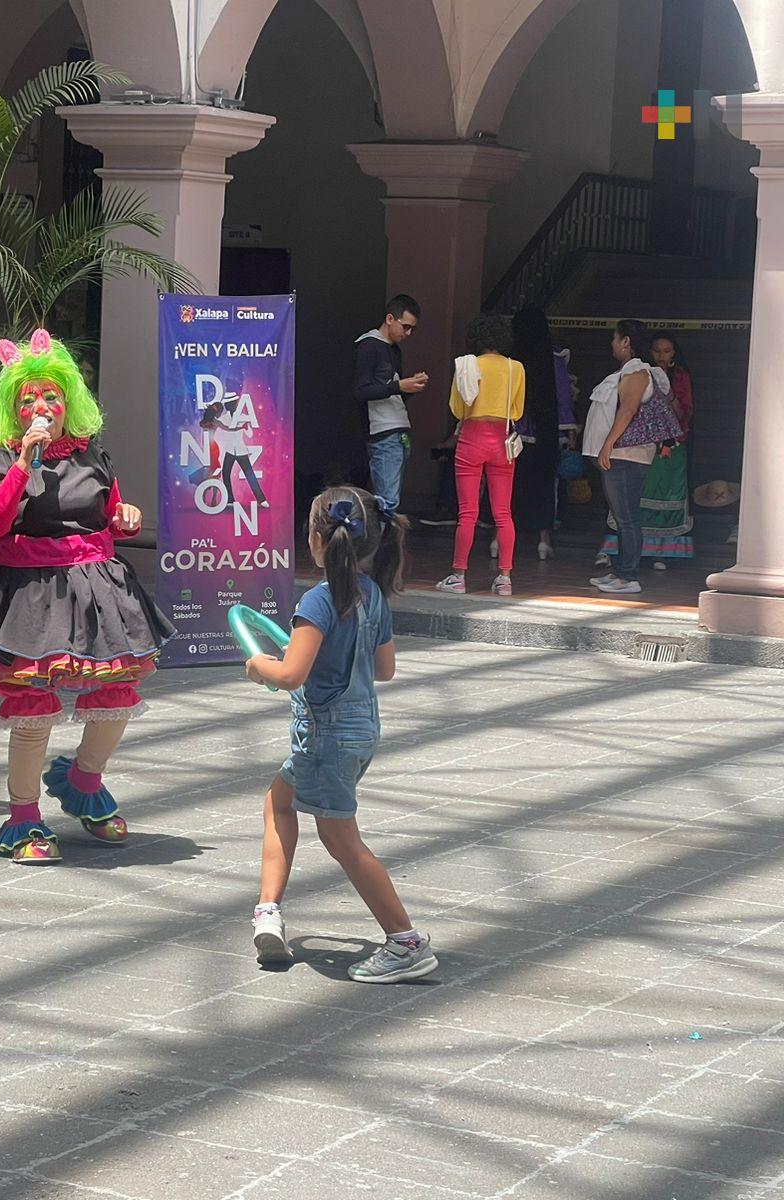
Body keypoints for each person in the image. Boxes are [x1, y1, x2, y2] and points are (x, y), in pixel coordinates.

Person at [0, 330, 175, 864]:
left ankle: (83, 779)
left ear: (69, 402)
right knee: (32, 707)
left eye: (51, 396)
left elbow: (109, 510)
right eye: (28, 399)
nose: (41, 406)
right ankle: (23, 819)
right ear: (13, 411)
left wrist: (124, 517)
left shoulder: (93, 456)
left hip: (94, 589)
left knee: (119, 692)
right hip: (28, 593)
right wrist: (24, 462)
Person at [245, 487, 435, 982]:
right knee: (279, 802)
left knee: (341, 839)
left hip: (325, 735)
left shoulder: (318, 601)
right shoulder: (373, 595)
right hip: (360, 728)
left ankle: (405, 940)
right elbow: (385, 668)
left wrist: (259, 663)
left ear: (315, 539)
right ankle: (268, 909)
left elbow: (290, 674)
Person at [436, 314, 526, 597]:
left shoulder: (466, 364)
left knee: (467, 513)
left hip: (472, 439)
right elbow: (517, 411)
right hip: (502, 441)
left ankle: (458, 575)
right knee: (503, 513)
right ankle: (505, 578)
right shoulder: (516, 368)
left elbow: (457, 409)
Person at [582, 319, 671, 595]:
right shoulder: (632, 371)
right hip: (624, 455)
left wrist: (608, 444)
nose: (612, 343)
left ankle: (629, 575)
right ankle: (621, 571)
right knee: (623, 517)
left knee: (627, 517)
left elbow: (628, 409)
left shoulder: (637, 372)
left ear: (626, 342)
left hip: (626, 455)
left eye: (615, 338)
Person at [598, 333, 695, 571]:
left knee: (667, 496)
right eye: (657, 351)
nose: (662, 356)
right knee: (632, 502)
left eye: (667, 351)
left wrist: (669, 398)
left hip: (671, 446)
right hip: (642, 446)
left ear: (674, 353)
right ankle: (617, 552)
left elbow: (685, 411)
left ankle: (662, 551)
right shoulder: (642, 374)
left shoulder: (679, 377)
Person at [352, 295, 428, 517]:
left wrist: (408, 387)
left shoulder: (394, 349)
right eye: (405, 327)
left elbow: (391, 391)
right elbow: (360, 391)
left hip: (397, 428)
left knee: (389, 499)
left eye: (412, 328)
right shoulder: (368, 346)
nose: (408, 333)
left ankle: (382, 548)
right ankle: (380, 550)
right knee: (387, 502)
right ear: (389, 318)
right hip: (381, 430)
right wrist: (399, 386)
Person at [508, 307, 563, 562]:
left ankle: (501, 541)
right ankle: (543, 541)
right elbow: (562, 401)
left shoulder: (509, 362)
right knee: (543, 487)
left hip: (512, 435)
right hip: (544, 433)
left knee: (509, 488)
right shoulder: (553, 361)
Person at [200, 399, 269, 507]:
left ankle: (261, 500)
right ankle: (230, 500)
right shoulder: (222, 419)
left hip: (241, 450)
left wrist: (245, 427)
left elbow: (246, 433)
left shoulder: (242, 417)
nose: (233, 406)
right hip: (229, 450)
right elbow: (225, 429)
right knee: (225, 474)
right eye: (231, 405)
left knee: (249, 474)